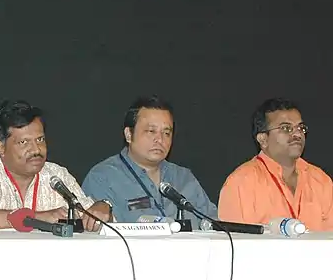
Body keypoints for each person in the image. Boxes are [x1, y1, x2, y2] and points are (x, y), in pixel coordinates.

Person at [0, 100, 112, 231]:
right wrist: (36, 217)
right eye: (24, 142)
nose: (36, 149)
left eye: (40, 139)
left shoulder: (56, 175)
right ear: (1, 147)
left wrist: (103, 209)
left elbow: (88, 214)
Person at [81, 95, 217, 225]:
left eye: (166, 133)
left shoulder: (184, 178)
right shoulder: (102, 178)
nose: (160, 139)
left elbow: (215, 225)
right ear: (129, 134)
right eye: (151, 131)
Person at [218, 98, 333, 231]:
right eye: (286, 128)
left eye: (301, 128)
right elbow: (237, 245)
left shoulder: (320, 180)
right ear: (263, 139)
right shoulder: (241, 183)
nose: (297, 134)